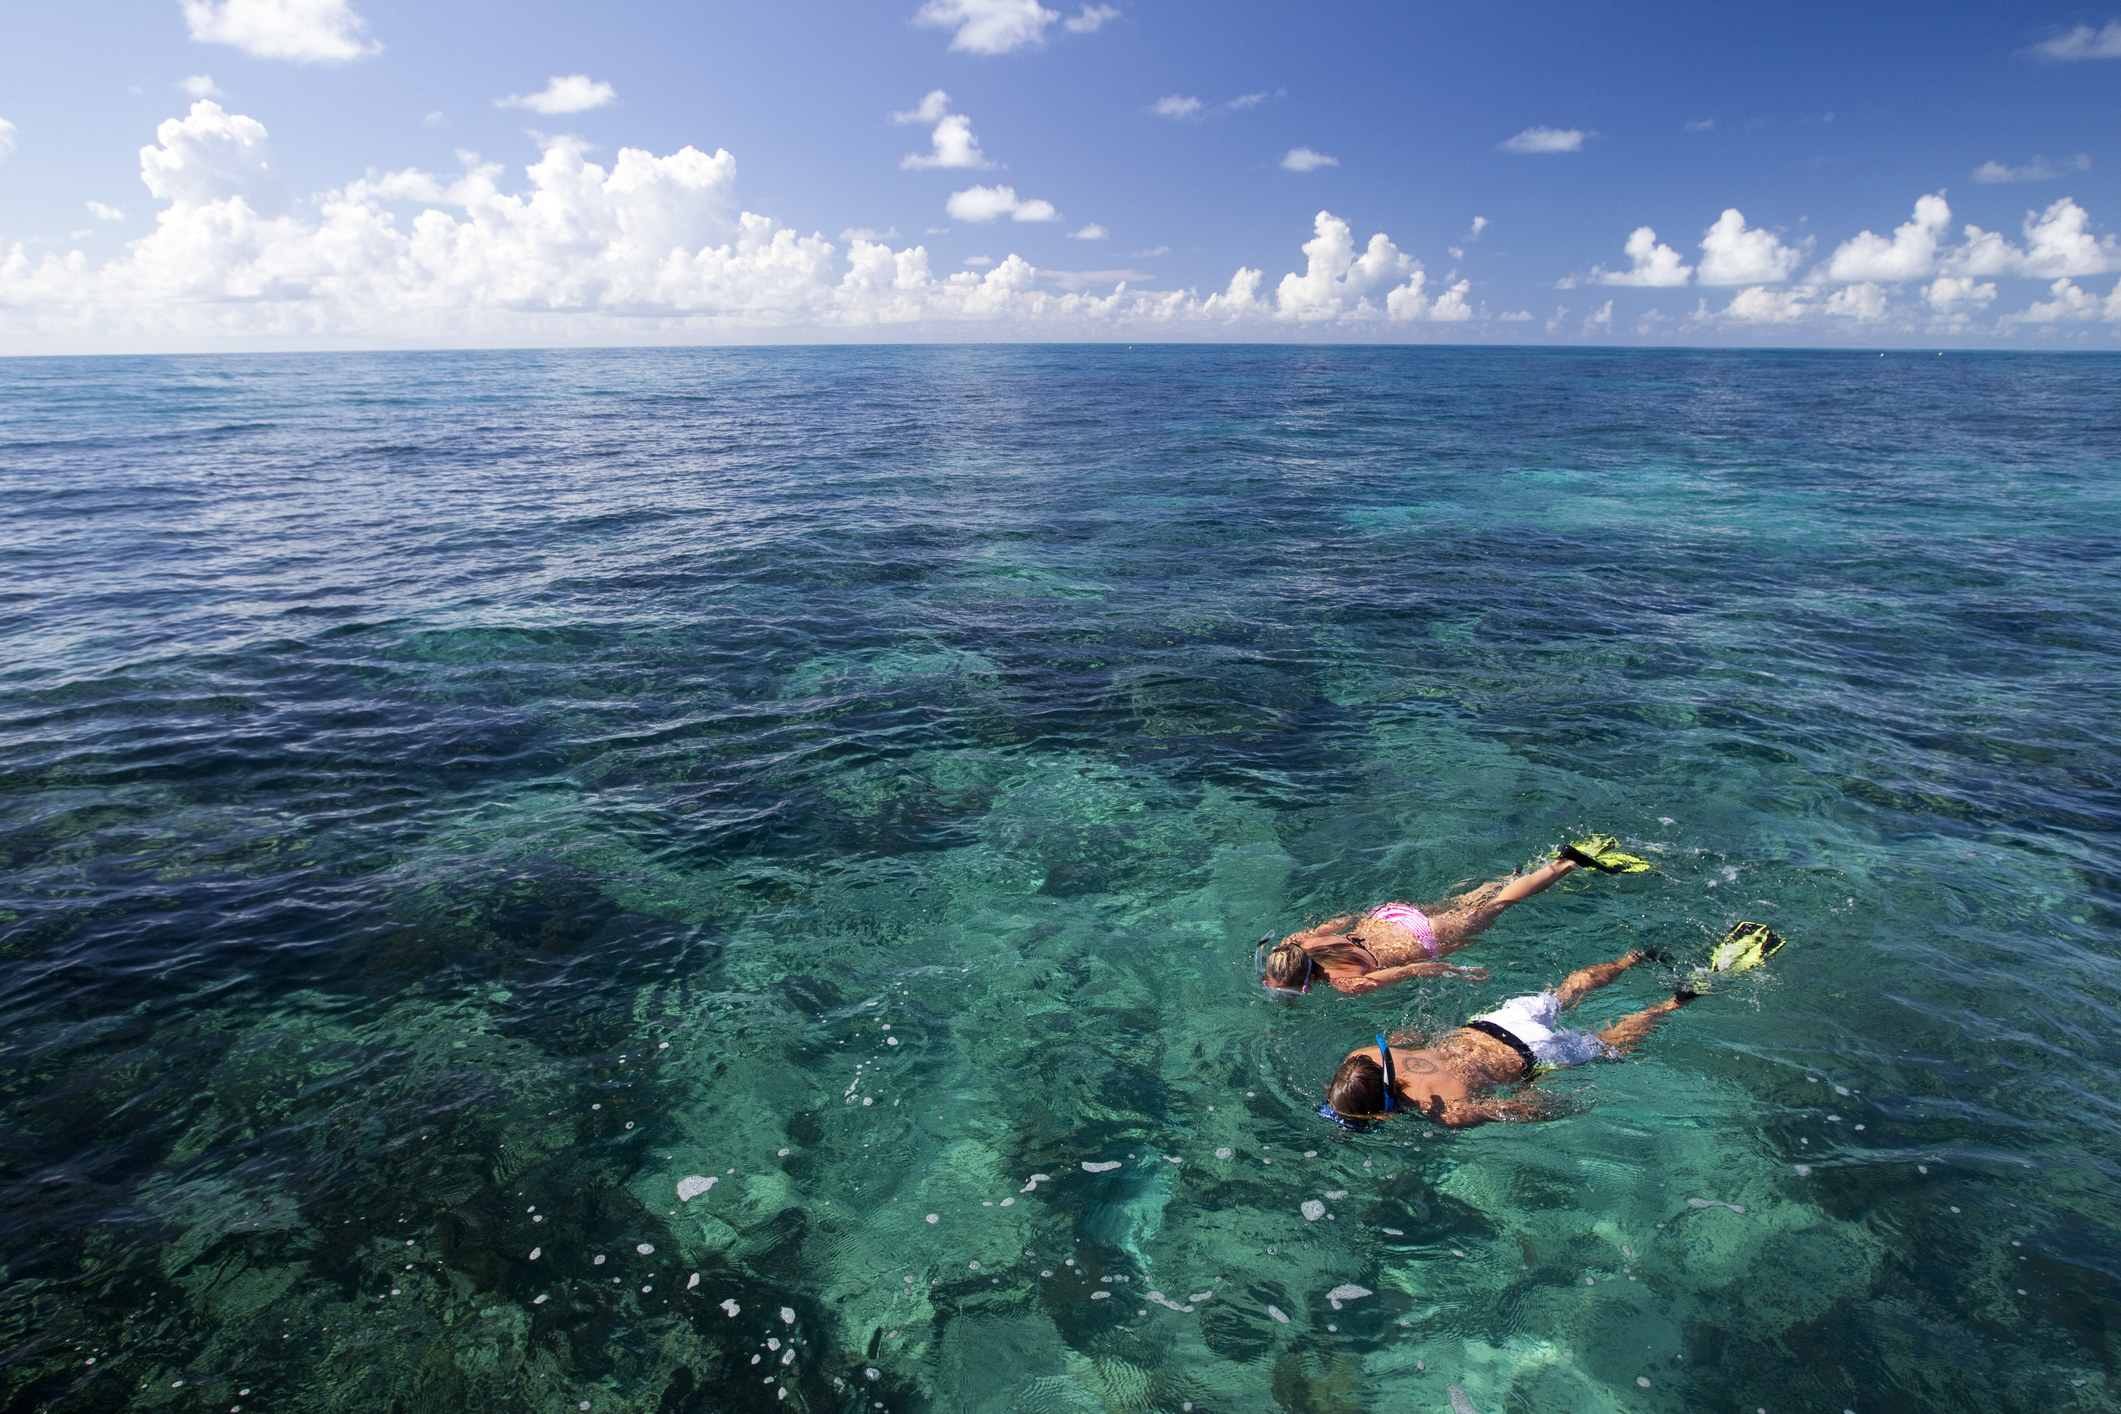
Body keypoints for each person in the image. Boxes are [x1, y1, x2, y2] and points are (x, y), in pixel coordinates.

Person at [1319, 923, 1785, 1130]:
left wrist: (1553, 1103)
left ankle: (1674, 1002)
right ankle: (1637, 956)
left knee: (1607, 1045)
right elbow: (1405, 1038)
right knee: (1564, 991)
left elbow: (1519, 1109)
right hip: (1494, 1022)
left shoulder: (1446, 1114)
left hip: (1532, 1057)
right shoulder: (1364, 1054)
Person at [1258, 835, 1650, 1000]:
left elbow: (1411, 972)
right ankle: (1512, 873)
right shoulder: (1296, 941)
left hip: (1420, 939)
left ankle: (1565, 864)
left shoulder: (1346, 984)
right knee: (1467, 902)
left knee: (1496, 908)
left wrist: (1457, 972)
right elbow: (1343, 919)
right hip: (1389, 917)